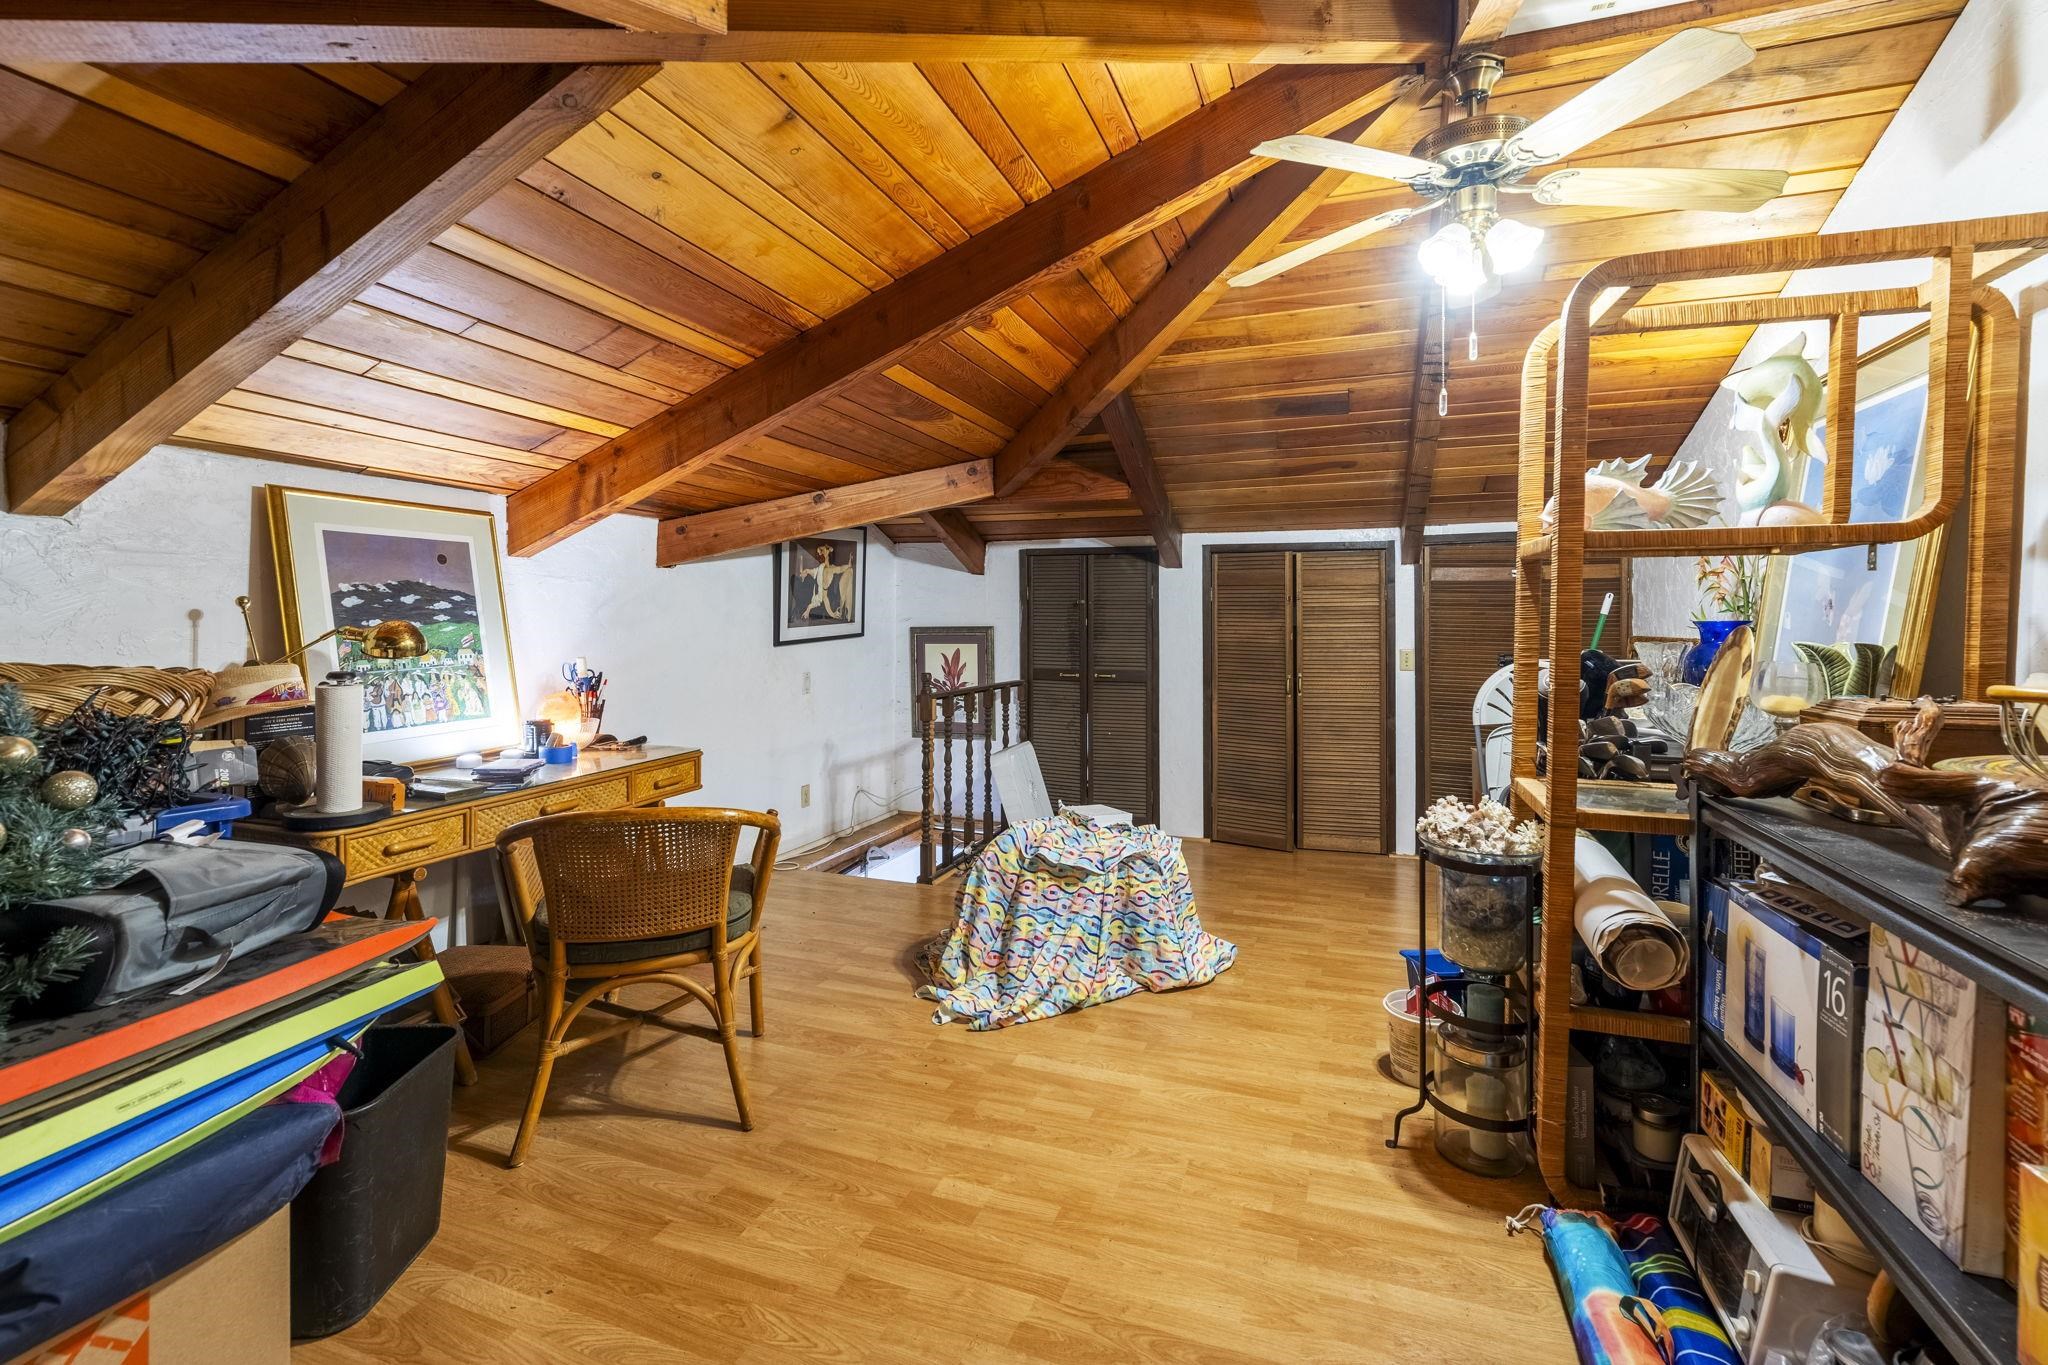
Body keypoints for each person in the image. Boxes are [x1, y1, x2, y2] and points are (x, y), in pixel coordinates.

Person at [794, 541, 855, 623]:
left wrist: (805, 572)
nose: (821, 554)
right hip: (820, 590)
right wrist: (832, 614)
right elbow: (824, 600)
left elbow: (838, 569)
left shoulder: (824, 570)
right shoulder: (823, 569)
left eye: (823, 553)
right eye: (823, 553)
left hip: (819, 590)